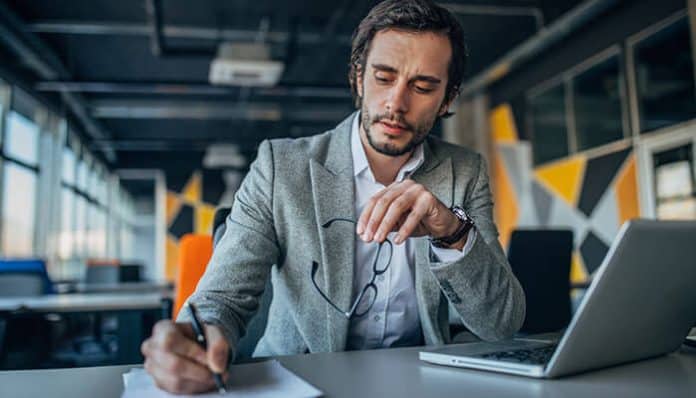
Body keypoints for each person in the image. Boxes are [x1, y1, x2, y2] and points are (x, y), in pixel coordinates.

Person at [141, 0, 525, 393]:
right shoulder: (280, 167)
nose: (396, 102)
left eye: (423, 86)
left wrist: (451, 232)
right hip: (302, 382)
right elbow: (222, 298)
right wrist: (195, 335)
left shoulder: (465, 171)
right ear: (358, 78)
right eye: (383, 77)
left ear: (447, 100)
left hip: (420, 386)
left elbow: (502, 324)